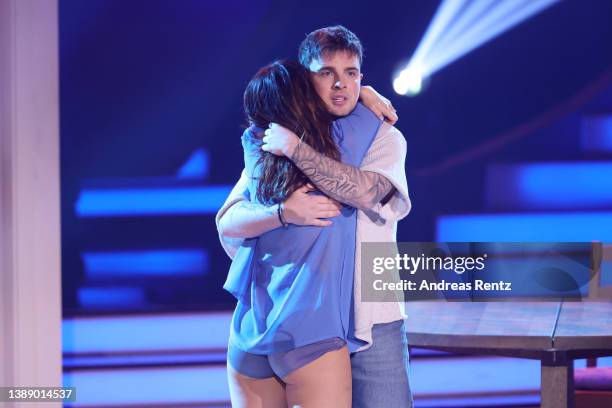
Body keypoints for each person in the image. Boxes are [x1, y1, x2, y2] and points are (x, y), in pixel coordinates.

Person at [218, 26, 413, 407]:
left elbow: (365, 191)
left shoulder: (382, 136)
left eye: (352, 74)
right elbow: (230, 218)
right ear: (304, 80)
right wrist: (282, 212)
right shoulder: (273, 139)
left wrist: (298, 150)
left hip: (370, 316)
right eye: (326, 73)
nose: (340, 84)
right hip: (296, 317)